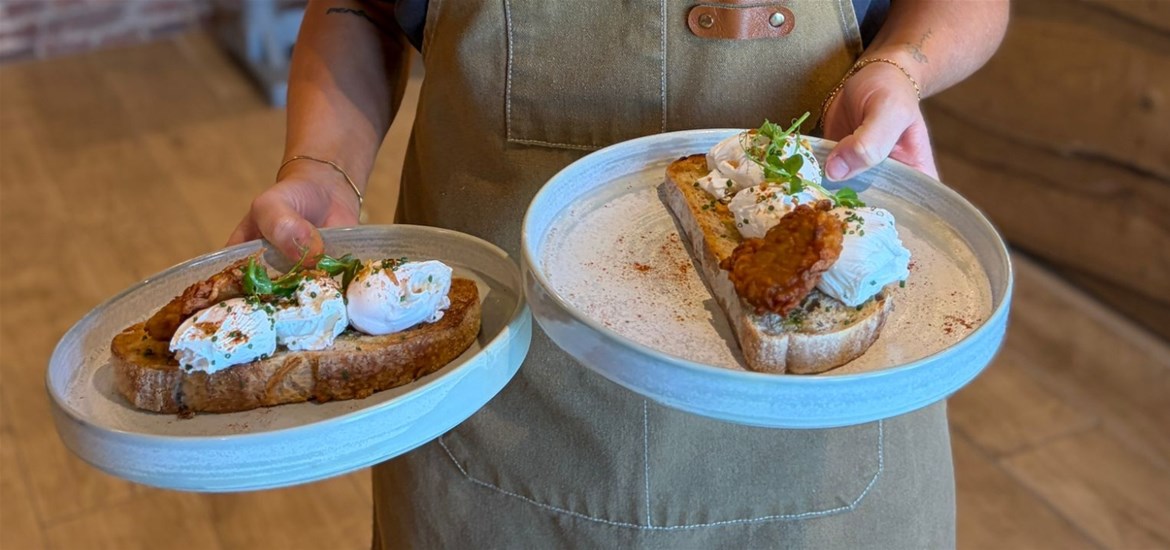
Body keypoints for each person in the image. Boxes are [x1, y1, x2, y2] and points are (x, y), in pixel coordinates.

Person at [228, 1, 1009, 547]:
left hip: (816, 440)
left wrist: (902, 66)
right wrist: (320, 163)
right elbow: (362, 8)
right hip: (501, 406)